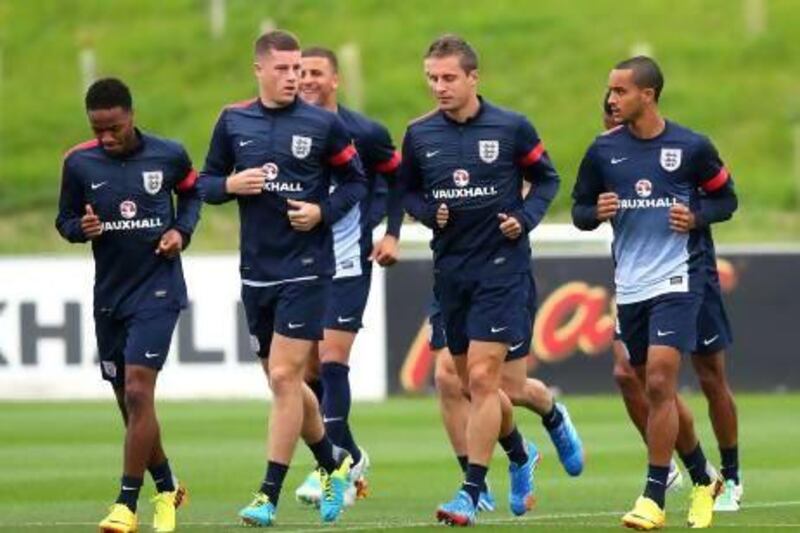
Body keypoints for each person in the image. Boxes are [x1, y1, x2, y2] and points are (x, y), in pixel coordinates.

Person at [197, 30, 367, 527]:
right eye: (283, 69)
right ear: (260, 70)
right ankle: (335, 463)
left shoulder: (320, 125)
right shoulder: (233, 121)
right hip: (257, 271)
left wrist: (321, 211)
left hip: (307, 268)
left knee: (283, 376)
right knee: (285, 385)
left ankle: (267, 494)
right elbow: (204, 184)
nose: (293, 77)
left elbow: (356, 180)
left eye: (298, 68)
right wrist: (229, 184)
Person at [399, 34, 560, 526]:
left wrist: (525, 217)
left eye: (449, 78)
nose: (439, 87)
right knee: (471, 384)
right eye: (432, 78)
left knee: (485, 379)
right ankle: (520, 453)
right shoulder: (419, 134)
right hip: (452, 271)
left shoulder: (511, 127)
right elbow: (406, 192)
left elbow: (548, 179)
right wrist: (430, 213)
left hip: (502, 270)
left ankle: (470, 491)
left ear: (473, 78)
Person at [572, 56, 738, 529]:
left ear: (647, 95)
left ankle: (652, 496)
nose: (610, 99)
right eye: (610, 91)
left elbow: (727, 198)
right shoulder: (604, 152)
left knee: (663, 382)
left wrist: (699, 216)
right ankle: (704, 476)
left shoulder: (691, 147)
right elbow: (580, 207)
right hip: (631, 284)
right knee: (648, 384)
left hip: (679, 279)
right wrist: (594, 211)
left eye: (620, 91)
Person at [56, 77, 200, 533]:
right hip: (110, 295)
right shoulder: (79, 163)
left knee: (140, 392)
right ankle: (168, 486)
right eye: (98, 129)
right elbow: (64, 220)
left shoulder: (169, 154)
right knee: (129, 403)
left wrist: (182, 230)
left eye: (113, 128)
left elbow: (193, 193)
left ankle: (125, 504)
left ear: (131, 116)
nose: (106, 137)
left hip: (158, 289)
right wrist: (82, 228)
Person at [294, 45, 404, 505]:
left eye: (316, 72)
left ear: (335, 79)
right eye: (300, 72)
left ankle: (331, 465)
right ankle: (353, 456)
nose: (307, 80)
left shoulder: (366, 132)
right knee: (307, 369)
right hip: (297, 265)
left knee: (333, 358)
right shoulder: (285, 131)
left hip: (348, 260)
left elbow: (398, 177)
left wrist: (391, 232)